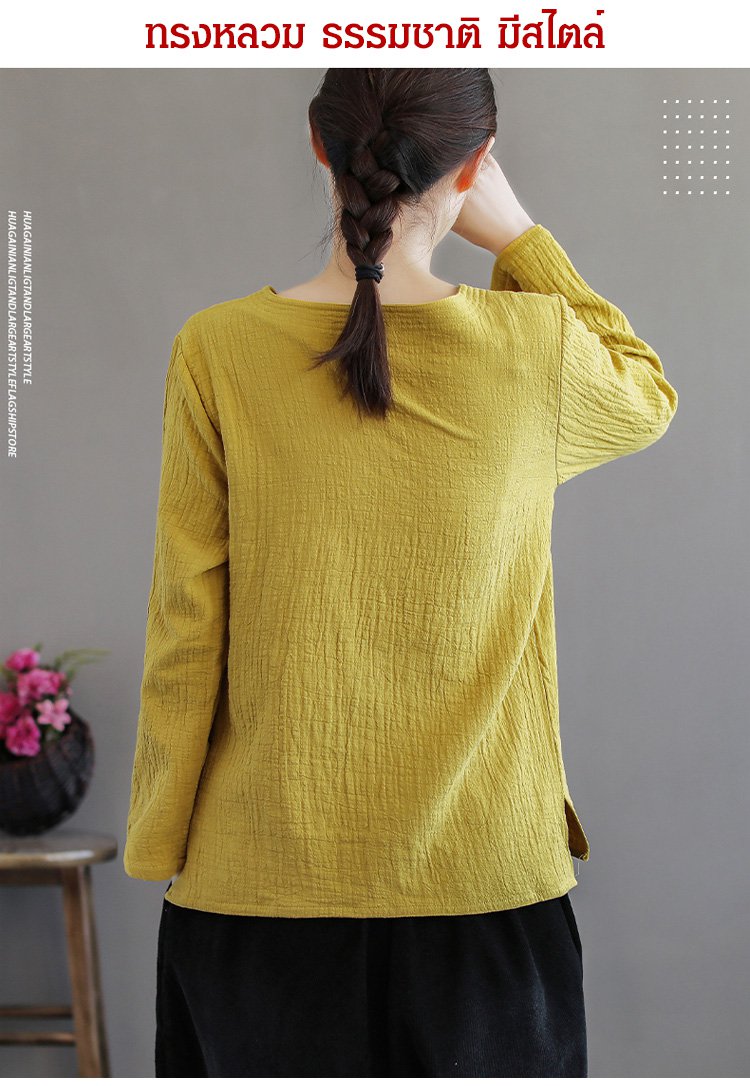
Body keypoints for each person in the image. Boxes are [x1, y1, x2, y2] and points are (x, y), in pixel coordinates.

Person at [124, 69, 678, 1076]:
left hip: (258, 892)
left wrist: (163, 842)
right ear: (475, 162)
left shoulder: (218, 349)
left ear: (318, 144)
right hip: (487, 897)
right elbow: (645, 395)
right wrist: (521, 237)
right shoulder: (538, 346)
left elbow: (186, 621)